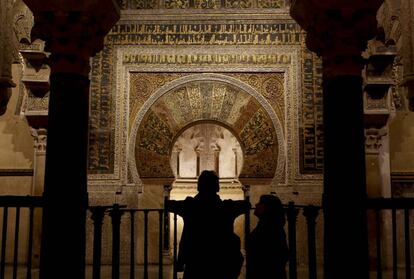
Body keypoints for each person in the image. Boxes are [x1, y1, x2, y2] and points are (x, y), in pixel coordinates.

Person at [165, 170, 250, 279]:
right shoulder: (226, 208)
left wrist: (189, 200)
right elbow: (247, 204)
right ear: (217, 187)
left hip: (195, 259)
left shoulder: (190, 207)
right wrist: (228, 202)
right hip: (220, 259)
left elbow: (167, 204)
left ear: (199, 187)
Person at [246, 194, 289, 279]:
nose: (256, 205)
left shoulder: (270, 228)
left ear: (268, 207)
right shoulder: (268, 226)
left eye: (260, 203)